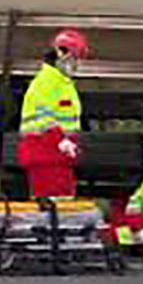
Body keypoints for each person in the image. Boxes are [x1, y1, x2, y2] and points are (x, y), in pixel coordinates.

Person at [16, 29, 88, 199]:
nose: (76, 65)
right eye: (74, 59)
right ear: (60, 55)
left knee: (60, 205)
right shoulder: (46, 83)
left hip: (56, 157)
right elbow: (41, 120)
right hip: (46, 155)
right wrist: (61, 141)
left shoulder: (61, 84)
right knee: (56, 206)